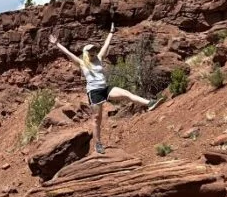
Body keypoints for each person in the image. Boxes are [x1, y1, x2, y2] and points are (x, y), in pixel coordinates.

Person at [48, 23, 164, 154]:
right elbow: (68, 53)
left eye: (93, 50)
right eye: (90, 51)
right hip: (94, 92)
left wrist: (111, 32)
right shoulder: (81, 63)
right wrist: (57, 44)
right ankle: (98, 143)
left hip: (105, 88)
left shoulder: (98, 58)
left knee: (126, 93)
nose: (93, 52)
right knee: (97, 119)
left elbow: (105, 45)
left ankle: (149, 103)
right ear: (85, 53)